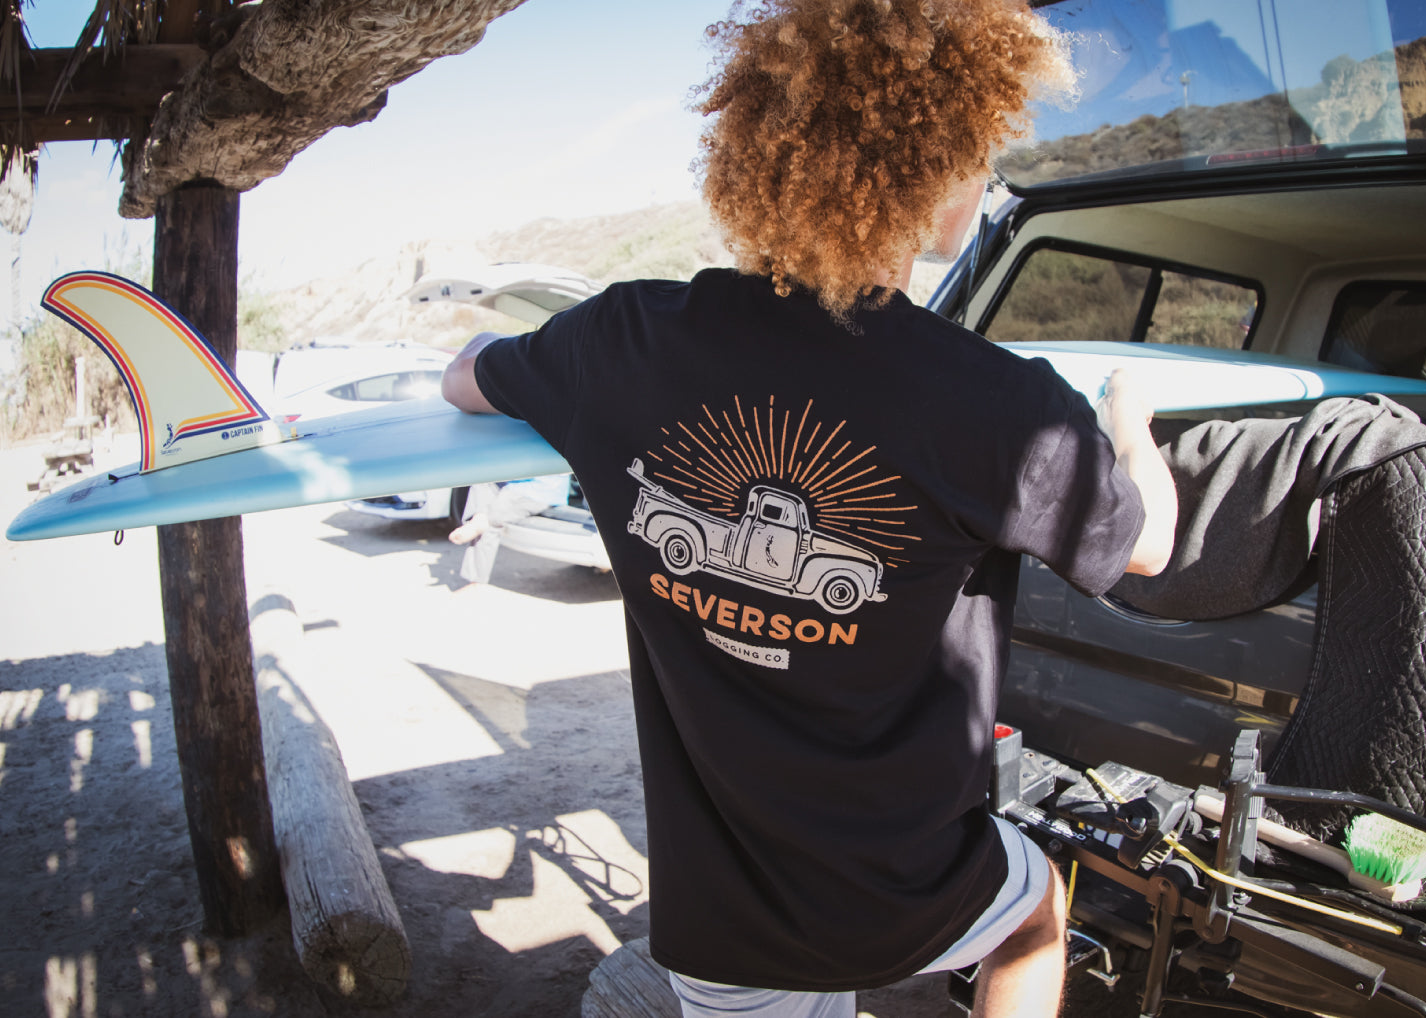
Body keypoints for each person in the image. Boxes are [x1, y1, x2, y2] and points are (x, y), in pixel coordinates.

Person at [442, 2, 1176, 1015]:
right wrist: (1132, 422)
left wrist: (515, 363)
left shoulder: (617, 344)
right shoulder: (1004, 404)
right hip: (910, 883)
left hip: (722, 910)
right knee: (1037, 910)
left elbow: (464, 377)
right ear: (943, 181)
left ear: (754, 152)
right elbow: (1149, 546)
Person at [448, 472, 572, 588]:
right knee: (482, 481)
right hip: (516, 483)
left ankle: (481, 521)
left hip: (540, 490)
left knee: (493, 514)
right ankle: (478, 518)